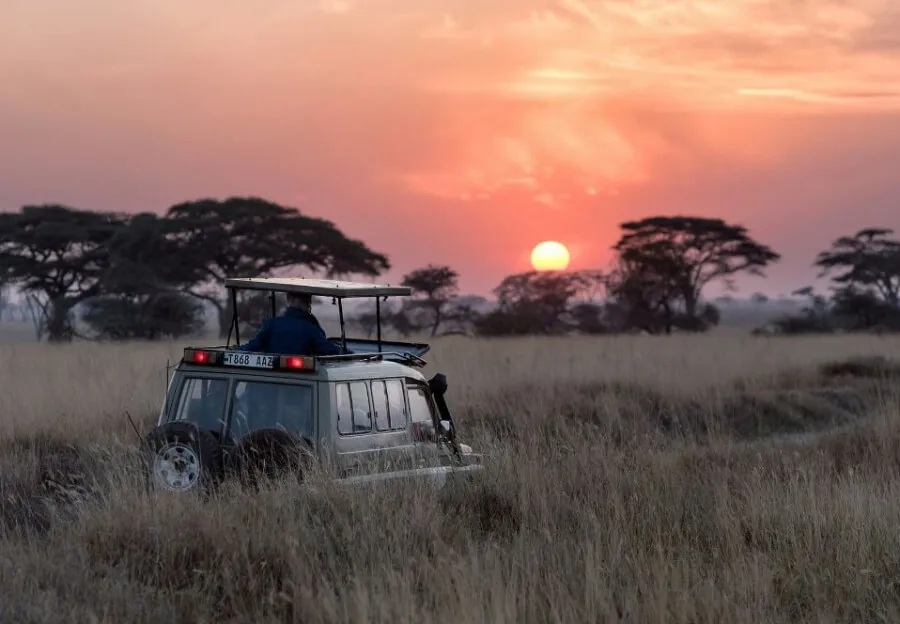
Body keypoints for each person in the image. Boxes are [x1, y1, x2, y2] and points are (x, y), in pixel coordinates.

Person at [237, 292, 345, 356]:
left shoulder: (271, 324)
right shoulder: (311, 328)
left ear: (289, 300)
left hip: (270, 379)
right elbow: (327, 349)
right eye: (306, 300)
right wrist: (348, 352)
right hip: (302, 379)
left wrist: (235, 350)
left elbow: (252, 346)